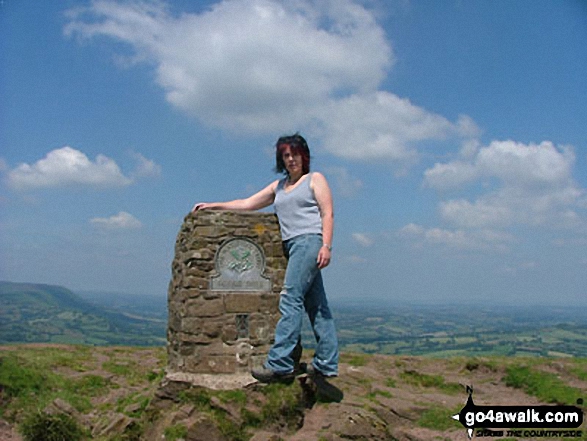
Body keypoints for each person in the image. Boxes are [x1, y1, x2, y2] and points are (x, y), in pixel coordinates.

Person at [192, 133, 339, 383]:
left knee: (290, 299)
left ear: (304, 155)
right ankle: (326, 363)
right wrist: (215, 205)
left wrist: (326, 245)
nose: (291, 159)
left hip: (308, 242)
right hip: (293, 246)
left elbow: (328, 213)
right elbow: (248, 203)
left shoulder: (315, 179)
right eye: (286, 155)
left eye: (294, 154)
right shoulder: (279, 186)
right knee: (317, 305)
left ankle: (280, 363)